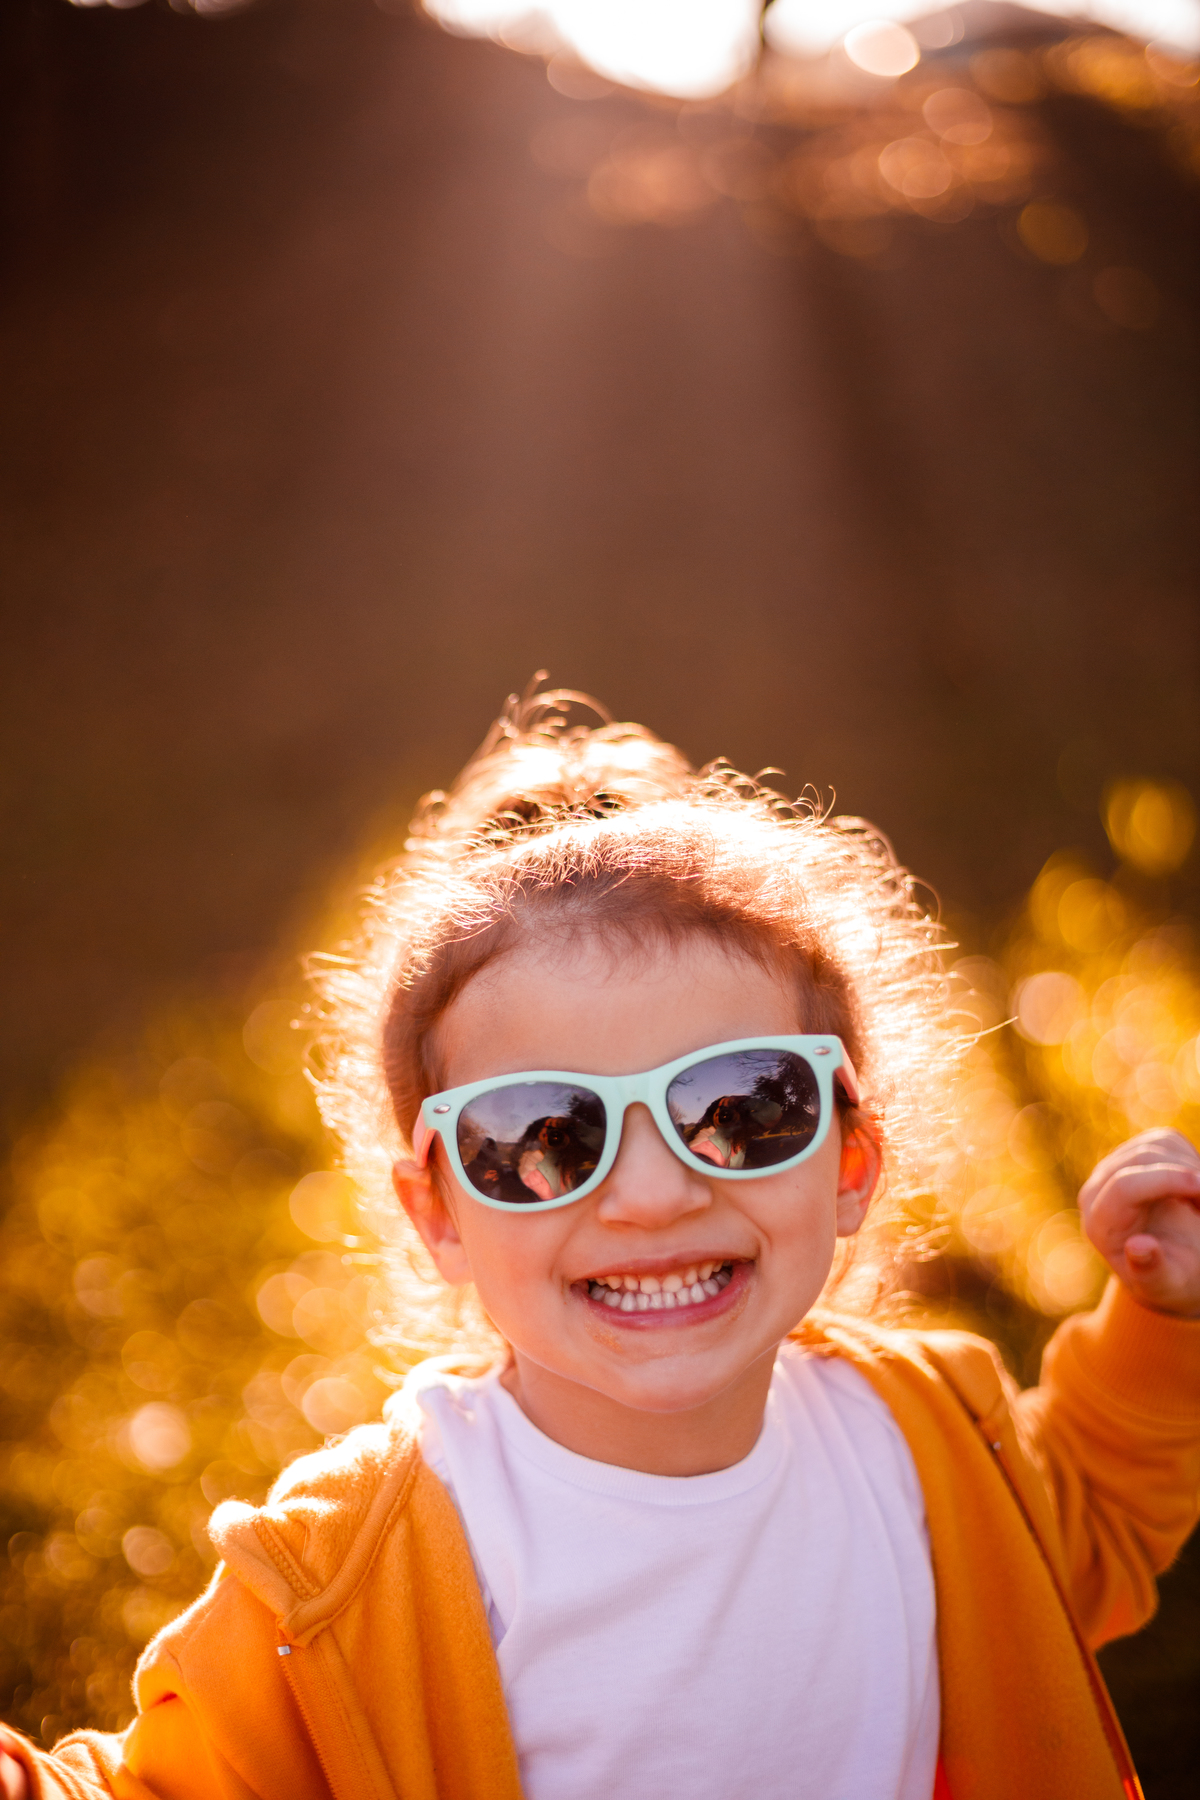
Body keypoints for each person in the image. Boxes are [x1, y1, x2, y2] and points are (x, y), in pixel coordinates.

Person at [3, 685, 1199, 1800]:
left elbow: (1078, 1532)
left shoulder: (936, 1437)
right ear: (436, 1214)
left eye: (741, 1108)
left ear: (850, 1163)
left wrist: (1159, 1321)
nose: (651, 1195)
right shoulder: (349, 1574)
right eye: (546, 1134)